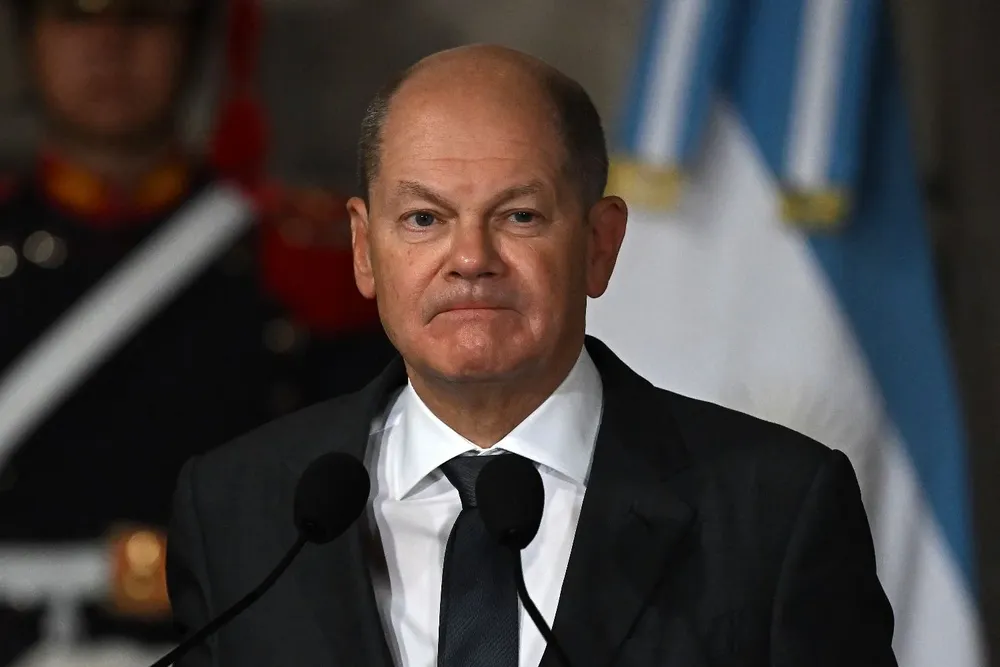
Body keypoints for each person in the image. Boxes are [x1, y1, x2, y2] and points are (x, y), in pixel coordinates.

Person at [165, 45, 898, 667]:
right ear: (364, 248)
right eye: (425, 218)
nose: (471, 259)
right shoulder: (240, 509)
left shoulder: (774, 511)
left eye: (519, 215)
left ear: (600, 244)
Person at [0, 0, 394, 662]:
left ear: (199, 37)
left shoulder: (301, 268)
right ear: (26, 35)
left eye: (145, 15)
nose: (109, 43)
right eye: (74, 13)